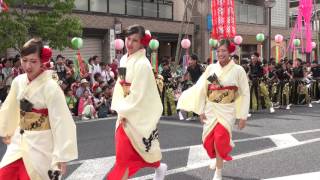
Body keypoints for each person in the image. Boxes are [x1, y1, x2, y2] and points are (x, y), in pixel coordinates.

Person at [0, 38, 78, 180]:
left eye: (33, 61)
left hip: (41, 144)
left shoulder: (51, 87)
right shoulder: (18, 81)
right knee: (4, 174)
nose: (28, 66)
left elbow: (61, 121)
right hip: (20, 140)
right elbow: (10, 107)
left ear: (42, 61)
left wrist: (62, 154)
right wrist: (6, 129)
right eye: (24, 60)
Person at [177, 39, 250, 180]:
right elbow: (202, 89)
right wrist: (201, 109)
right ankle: (215, 158)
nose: (220, 53)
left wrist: (243, 116)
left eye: (224, 51)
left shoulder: (238, 70)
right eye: (219, 51)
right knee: (208, 140)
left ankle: (218, 171)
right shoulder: (211, 69)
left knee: (220, 139)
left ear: (230, 52)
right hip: (211, 108)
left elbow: (245, 92)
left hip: (227, 109)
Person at [107, 25, 167, 180]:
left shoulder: (143, 64)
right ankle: (159, 167)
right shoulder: (123, 59)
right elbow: (121, 85)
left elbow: (139, 94)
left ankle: (159, 167)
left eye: (134, 40)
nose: (130, 43)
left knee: (136, 151)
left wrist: (124, 110)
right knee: (125, 156)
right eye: (128, 39)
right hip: (125, 112)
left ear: (142, 43)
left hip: (137, 113)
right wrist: (119, 107)